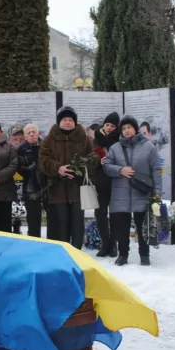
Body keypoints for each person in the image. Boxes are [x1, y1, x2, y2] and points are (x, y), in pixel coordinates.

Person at [103, 115, 162, 266]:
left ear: (135, 129)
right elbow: (106, 167)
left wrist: (157, 191)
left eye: (129, 127)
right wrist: (120, 170)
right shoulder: (115, 148)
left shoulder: (149, 146)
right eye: (123, 128)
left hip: (141, 193)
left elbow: (156, 170)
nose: (126, 130)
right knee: (122, 228)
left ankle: (144, 254)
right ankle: (123, 255)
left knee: (143, 226)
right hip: (120, 194)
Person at [40, 106, 94, 249]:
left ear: (75, 122)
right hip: (57, 188)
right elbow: (43, 160)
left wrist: (81, 167)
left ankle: (76, 251)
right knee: (60, 223)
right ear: (59, 122)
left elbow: (92, 158)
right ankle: (62, 251)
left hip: (78, 187)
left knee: (77, 222)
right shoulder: (49, 139)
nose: (68, 122)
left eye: (70, 119)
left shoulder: (84, 139)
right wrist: (58, 168)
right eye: (64, 119)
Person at [92, 112, 120, 257]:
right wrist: (98, 161)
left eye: (113, 126)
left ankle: (114, 244)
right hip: (100, 182)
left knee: (114, 213)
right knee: (100, 213)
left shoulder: (119, 141)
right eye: (107, 125)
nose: (109, 128)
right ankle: (105, 243)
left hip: (115, 182)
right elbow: (89, 160)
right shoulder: (95, 140)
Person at [17, 124, 45, 238]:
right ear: (25, 136)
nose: (32, 134)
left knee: (53, 218)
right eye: (29, 133)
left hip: (47, 185)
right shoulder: (21, 149)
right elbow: (19, 168)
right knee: (33, 218)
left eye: (34, 132)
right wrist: (32, 169)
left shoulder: (45, 146)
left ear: (38, 134)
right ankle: (34, 239)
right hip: (30, 186)